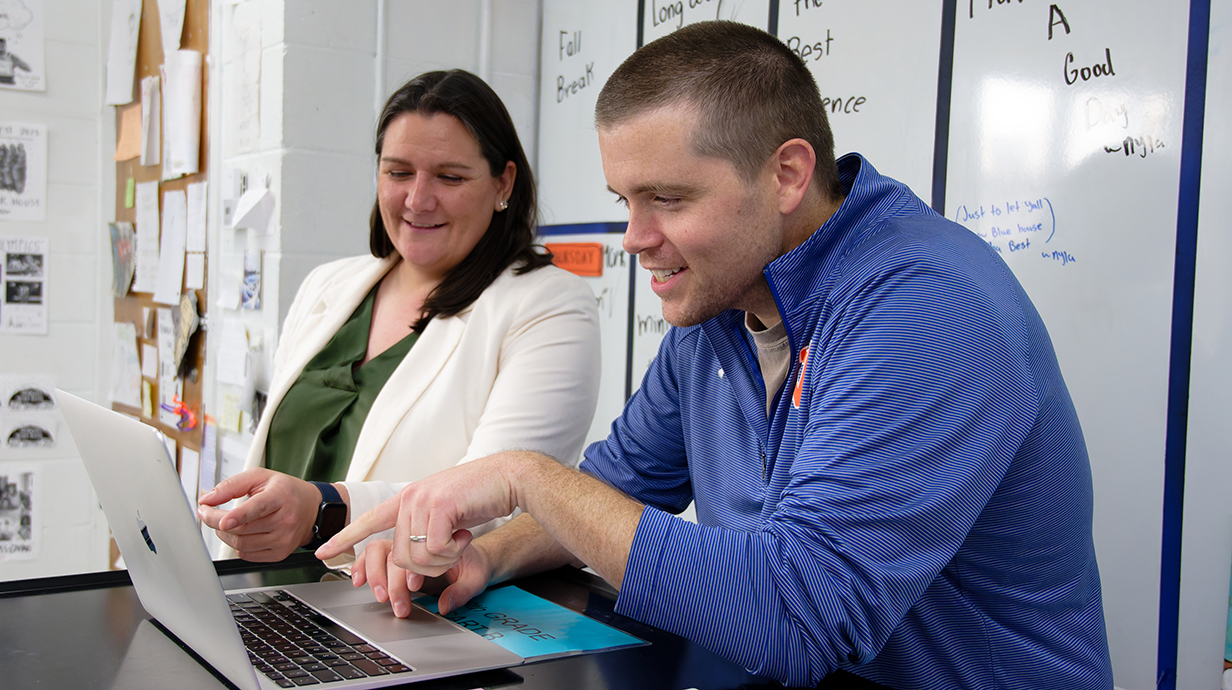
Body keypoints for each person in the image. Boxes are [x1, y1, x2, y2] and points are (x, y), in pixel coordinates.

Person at [318, 22, 1113, 690]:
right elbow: (612, 491)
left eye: (668, 198)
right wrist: (482, 558)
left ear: (788, 175)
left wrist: (525, 472)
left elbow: (798, 617)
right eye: (624, 201)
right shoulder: (720, 306)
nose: (634, 238)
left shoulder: (927, 307)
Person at [197, 70, 601, 585]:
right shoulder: (328, 286)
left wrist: (324, 508)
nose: (417, 200)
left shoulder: (548, 305)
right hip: (258, 598)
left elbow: (497, 499)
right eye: (398, 172)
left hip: (399, 612)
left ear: (503, 182)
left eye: (450, 177)